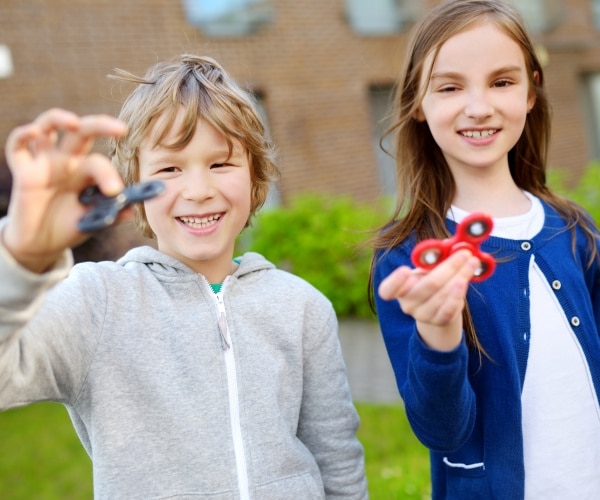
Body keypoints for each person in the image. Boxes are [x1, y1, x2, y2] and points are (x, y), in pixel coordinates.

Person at [0, 54, 368, 499]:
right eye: (169, 169)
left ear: (255, 177)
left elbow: (337, 461)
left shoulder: (302, 307)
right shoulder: (96, 302)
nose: (198, 190)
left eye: (220, 163)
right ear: (132, 185)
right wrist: (20, 257)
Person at [370, 0, 600, 498]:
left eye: (502, 82)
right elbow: (441, 430)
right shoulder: (406, 259)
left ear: (532, 90)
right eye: (450, 87)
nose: (479, 106)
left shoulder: (576, 230)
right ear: (417, 102)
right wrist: (439, 334)